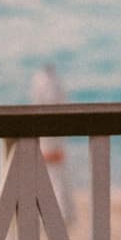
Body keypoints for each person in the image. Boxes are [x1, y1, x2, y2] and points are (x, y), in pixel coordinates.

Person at [29, 62, 75, 225]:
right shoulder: (51, 83)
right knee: (55, 175)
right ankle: (59, 215)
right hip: (52, 138)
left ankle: (58, 215)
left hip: (51, 137)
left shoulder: (42, 81)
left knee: (55, 174)